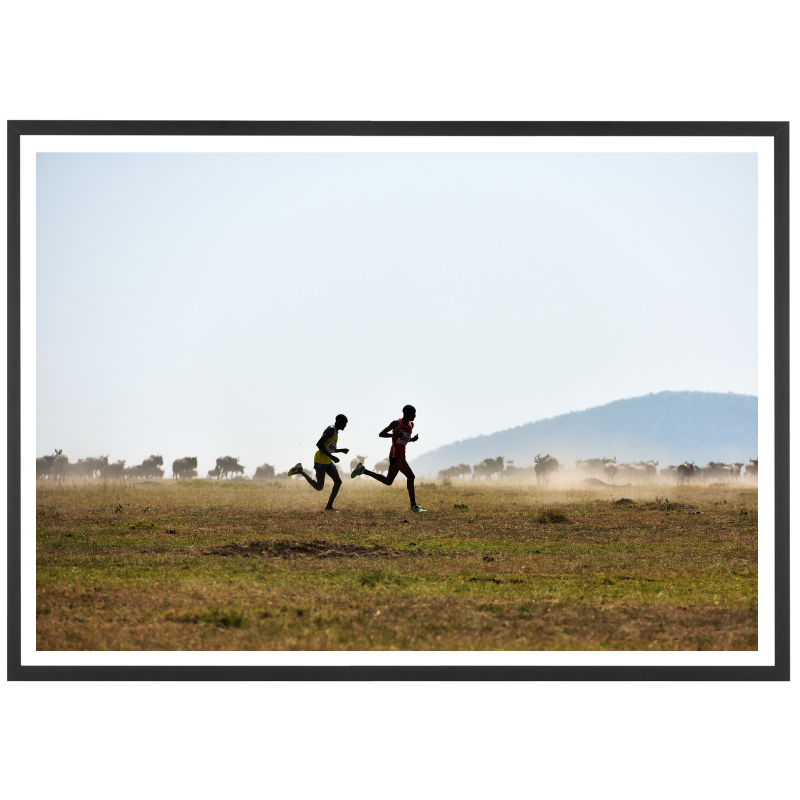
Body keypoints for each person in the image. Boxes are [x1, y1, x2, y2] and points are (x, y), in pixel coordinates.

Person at [351, 405, 426, 513]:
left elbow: (404, 439)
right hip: (396, 456)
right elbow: (381, 434)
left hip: (401, 456)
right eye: (413, 413)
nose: (415, 416)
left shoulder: (411, 425)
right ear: (406, 413)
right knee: (411, 476)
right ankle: (413, 507)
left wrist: (412, 440)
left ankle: (363, 470)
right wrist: (394, 434)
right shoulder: (396, 423)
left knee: (388, 481)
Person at [288, 414, 349, 511]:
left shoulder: (335, 431)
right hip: (320, 459)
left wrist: (341, 450)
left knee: (338, 482)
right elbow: (319, 444)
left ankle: (329, 506)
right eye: (344, 423)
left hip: (327, 460)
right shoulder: (331, 430)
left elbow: (329, 448)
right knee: (319, 487)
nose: (345, 425)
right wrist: (332, 457)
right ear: (339, 422)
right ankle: (300, 471)